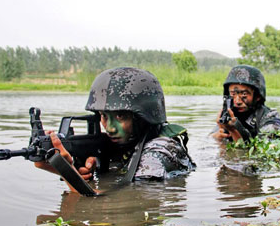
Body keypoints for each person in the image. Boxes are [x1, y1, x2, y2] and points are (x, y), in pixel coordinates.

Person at [35, 67, 195, 191]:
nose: (110, 128)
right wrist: (72, 169)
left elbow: (128, 205)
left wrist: (68, 172)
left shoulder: (158, 152)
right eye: (103, 116)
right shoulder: (123, 146)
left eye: (120, 116)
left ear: (143, 117)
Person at [211, 65, 280, 142]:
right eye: (233, 94)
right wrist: (217, 137)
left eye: (244, 94)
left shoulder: (270, 117)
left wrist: (233, 130)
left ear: (257, 96)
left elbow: (265, 149)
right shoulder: (228, 115)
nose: (238, 101)